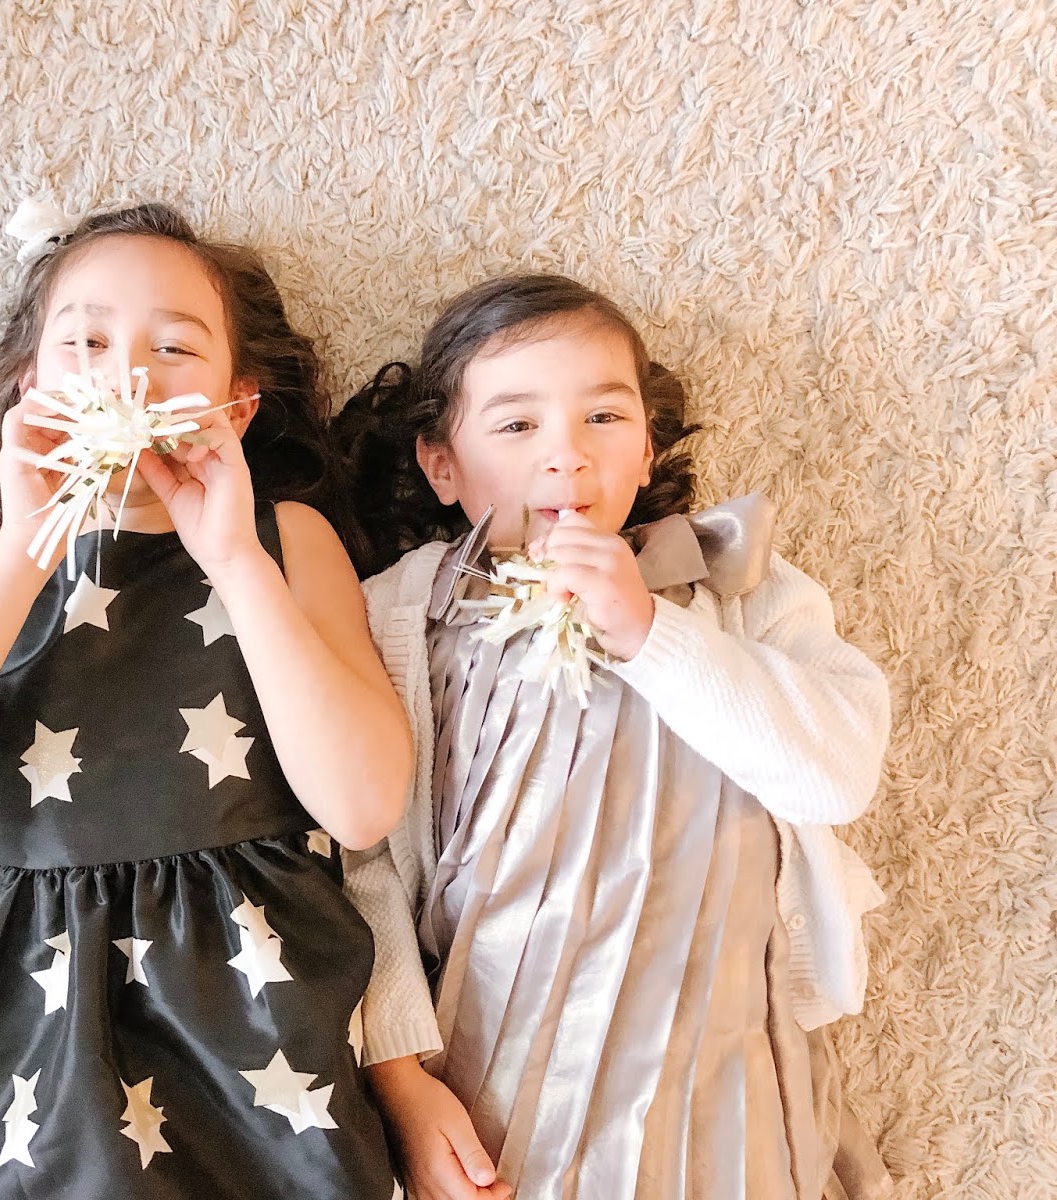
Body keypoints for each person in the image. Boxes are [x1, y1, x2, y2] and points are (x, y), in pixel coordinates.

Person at [0, 201, 410, 1199]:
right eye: (86, 342)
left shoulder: (283, 542)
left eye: (174, 348)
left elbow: (363, 805)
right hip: (39, 1002)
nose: (128, 373)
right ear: (29, 388)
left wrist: (232, 557)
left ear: (238, 408)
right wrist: (24, 544)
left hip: (250, 999)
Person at [334, 273, 894, 1200]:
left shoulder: (735, 586)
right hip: (494, 1075)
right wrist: (398, 1079)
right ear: (442, 466)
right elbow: (359, 866)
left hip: (720, 1066)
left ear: (646, 450)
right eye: (518, 425)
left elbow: (838, 772)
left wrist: (649, 632)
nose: (567, 456)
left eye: (603, 417)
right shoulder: (399, 613)